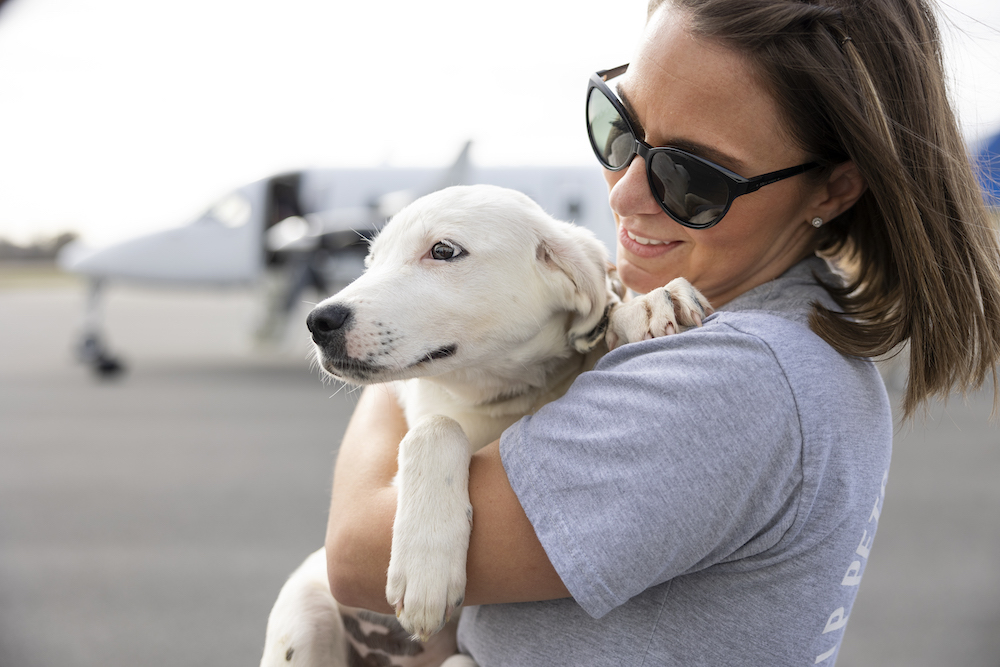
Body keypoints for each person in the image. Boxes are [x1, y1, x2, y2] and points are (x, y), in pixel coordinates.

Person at [325, 0, 1000, 664]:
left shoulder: (734, 385)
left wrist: (398, 347)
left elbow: (358, 553)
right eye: (617, 126)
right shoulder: (795, 330)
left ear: (832, 190)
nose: (622, 194)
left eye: (693, 176)